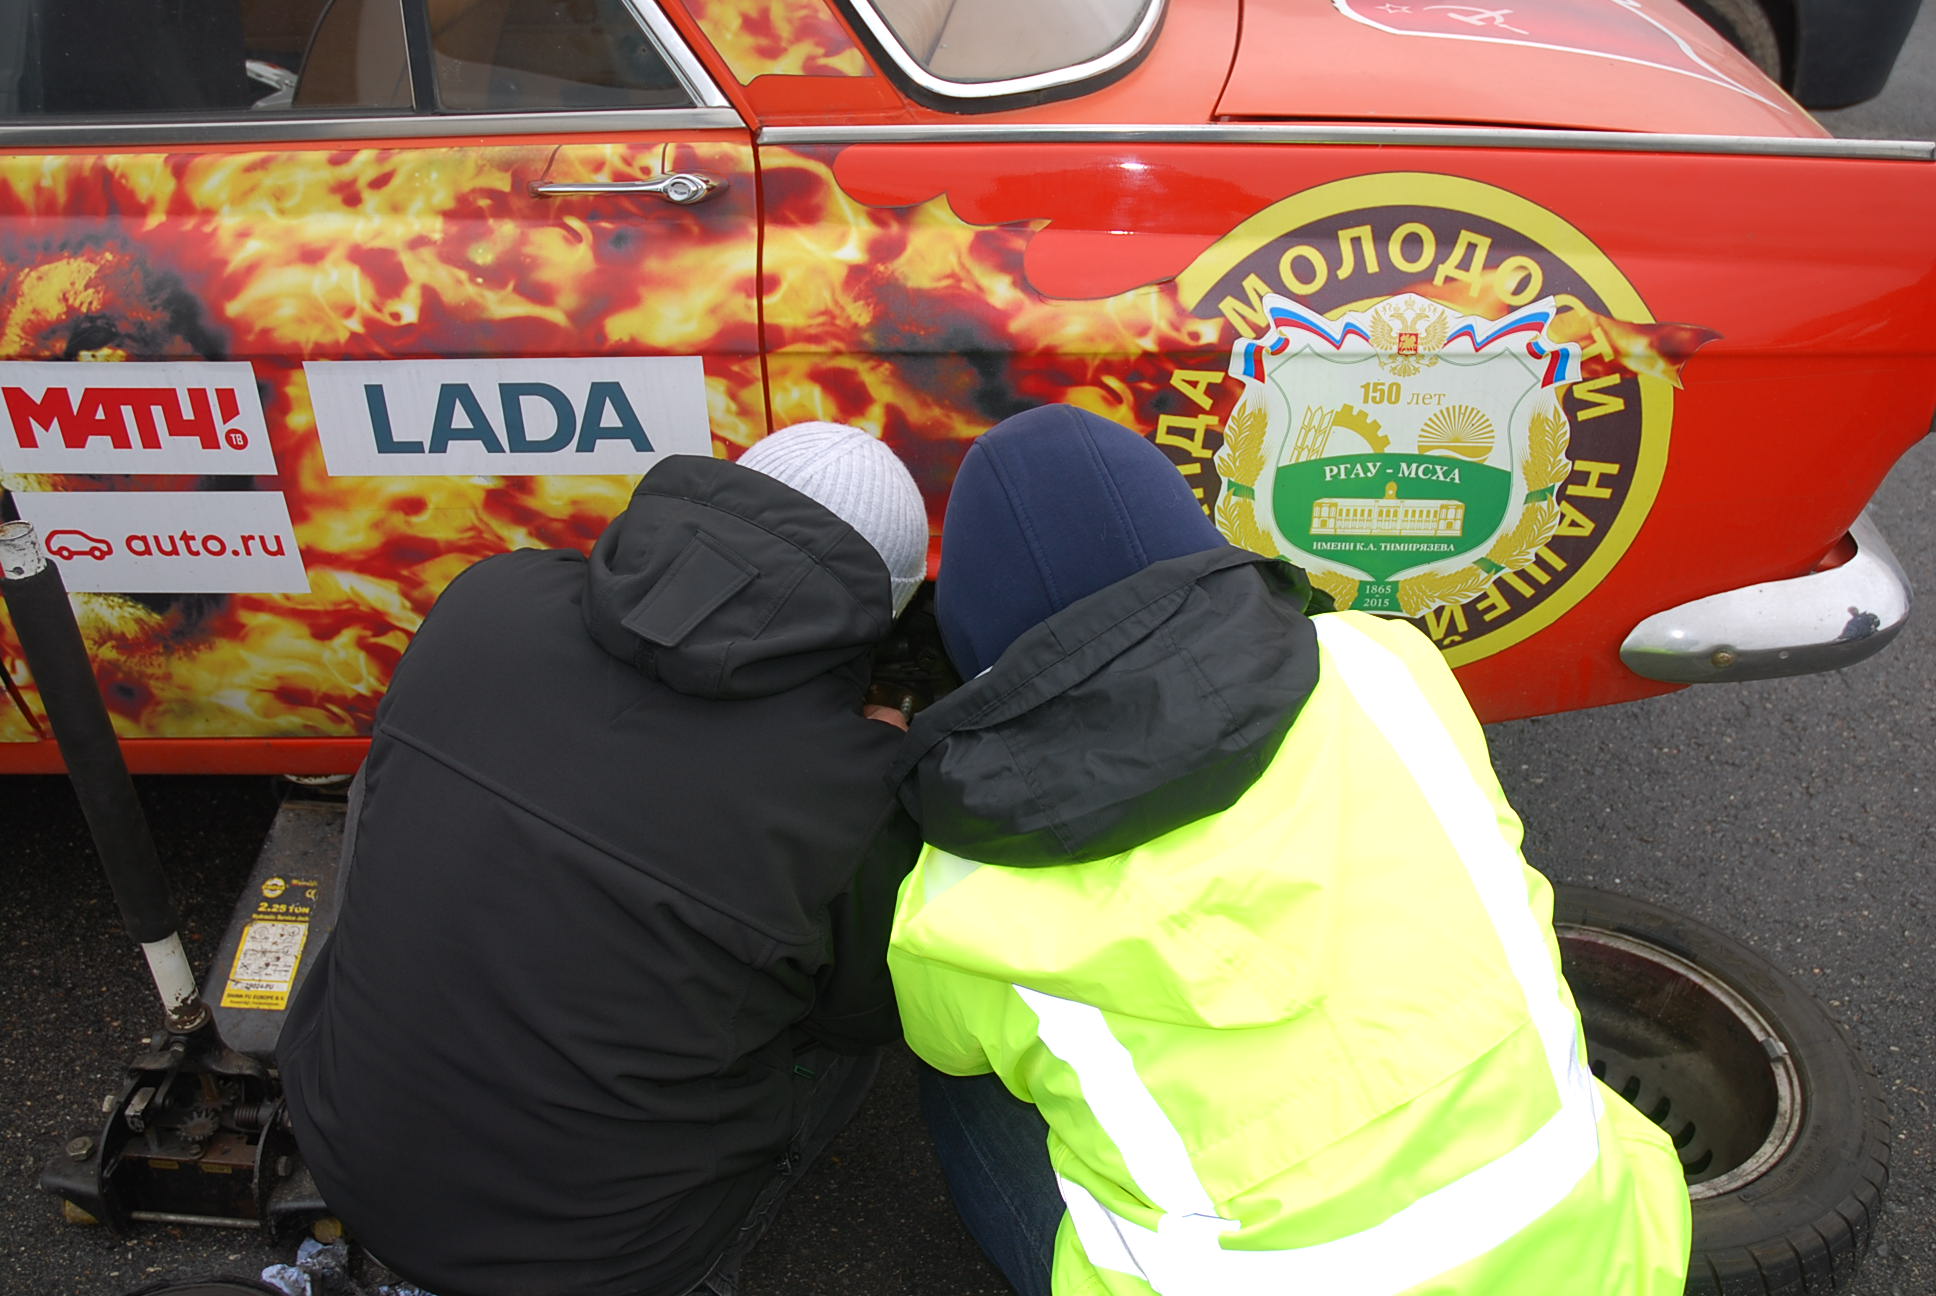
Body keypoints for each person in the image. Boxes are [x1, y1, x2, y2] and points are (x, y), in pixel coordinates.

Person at [886, 404, 1692, 1296]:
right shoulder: (1384, 665)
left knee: (962, 1075)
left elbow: (948, 1046)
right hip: (1605, 1257)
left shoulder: (957, 896)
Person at [279, 422, 930, 1296]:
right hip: (598, 1262)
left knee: (409, 785)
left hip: (342, 1148)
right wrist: (877, 776)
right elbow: (863, 1020)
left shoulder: (487, 596)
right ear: (881, 613)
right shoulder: (854, 791)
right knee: (854, 984)